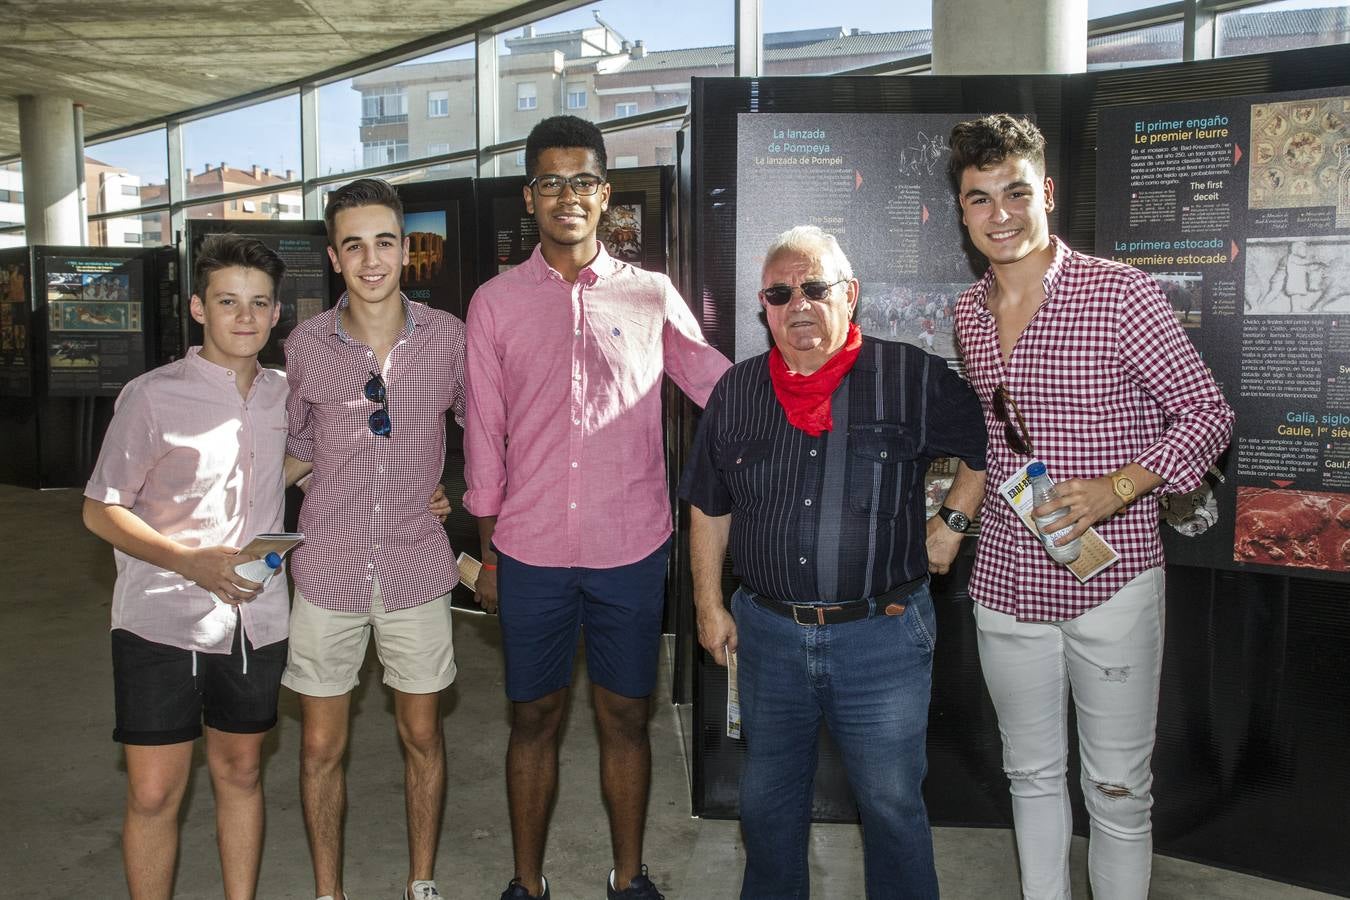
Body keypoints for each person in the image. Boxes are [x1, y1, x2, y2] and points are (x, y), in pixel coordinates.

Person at [947, 114, 1234, 900]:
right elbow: (991, 443)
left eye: (1013, 193)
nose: (999, 214)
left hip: (1112, 582)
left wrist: (1119, 487)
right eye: (979, 199)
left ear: (1045, 190)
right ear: (963, 211)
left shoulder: (1119, 292)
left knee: (1115, 793)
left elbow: (1208, 414)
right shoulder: (969, 314)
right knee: (1032, 776)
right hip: (1007, 584)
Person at [463, 114, 730, 900]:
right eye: (550, 181)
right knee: (533, 720)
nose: (567, 196)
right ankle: (526, 883)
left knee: (624, 719)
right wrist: (489, 558)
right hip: (530, 552)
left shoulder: (650, 295)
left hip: (632, 549)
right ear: (529, 197)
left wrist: (812, 383)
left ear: (606, 195)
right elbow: (484, 436)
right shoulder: (495, 304)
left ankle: (629, 877)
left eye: (582, 180)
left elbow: (717, 385)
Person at [680, 225, 988, 900]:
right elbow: (708, 504)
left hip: (882, 637)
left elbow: (982, 444)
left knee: (892, 808)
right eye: (781, 292)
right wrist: (707, 603)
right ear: (764, 306)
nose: (800, 304)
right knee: (766, 807)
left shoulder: (911, 377)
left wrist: (952, 524)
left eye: (816, 288)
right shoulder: (736, 392)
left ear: (849, 294)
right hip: (769, 639)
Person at [83, 233, 302, 899]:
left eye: (259, 303)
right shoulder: (152, 397)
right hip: (160, 619)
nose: (245, 316)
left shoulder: (286, 396)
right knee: (153, 792)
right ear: (198, 308)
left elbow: (303, 467)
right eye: (228, 300)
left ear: (275, 313)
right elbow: (101, 510)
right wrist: (190, 561)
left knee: (240, 770)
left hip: (256, 620)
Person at [283, 177, 467, 900]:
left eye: (384, 242)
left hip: (417, 567)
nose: (370, 259)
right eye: (353, 244)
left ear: (405, 251)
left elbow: (483, 431)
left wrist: (456, 493)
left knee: (422, 735)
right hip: (326, 569)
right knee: (321, 745)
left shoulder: (449, 339)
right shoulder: (303, 345)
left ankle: (422, 882)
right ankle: (329, 892)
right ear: (334, 256)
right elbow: (295, 451)